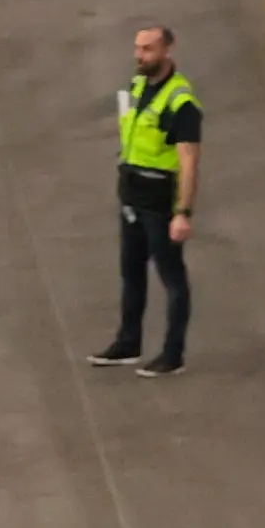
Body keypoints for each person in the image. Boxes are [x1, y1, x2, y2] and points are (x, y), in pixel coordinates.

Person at [94, 23, 205, 374]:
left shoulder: (181, 101)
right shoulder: (137, 84)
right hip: (131, 195)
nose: (140, 55)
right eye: (138, 48)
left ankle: (173, 355)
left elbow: (189, 160)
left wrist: (182, 212)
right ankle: (128, 343)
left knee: (172, 278)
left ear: (167, 50)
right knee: (131, 272)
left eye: (148, 49)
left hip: (160, 200)